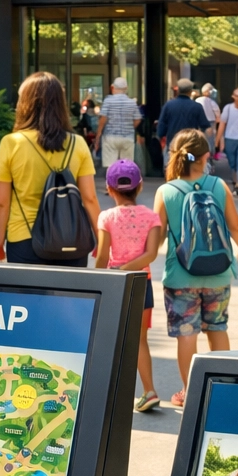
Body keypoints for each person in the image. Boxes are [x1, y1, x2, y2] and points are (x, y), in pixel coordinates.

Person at [154, 129, 238, 407]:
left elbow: (157, 237)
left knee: (187, 334)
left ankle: (189, 392)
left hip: (180, 276)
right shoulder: (218, 185)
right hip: (218, 273)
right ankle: (223, 391)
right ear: (207, 156)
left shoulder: (166, 191)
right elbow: (235, 225)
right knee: (217, 328)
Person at [0, 72, 101, 266]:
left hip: (24, 239)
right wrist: (100, 238)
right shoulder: (78, 143)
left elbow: (2, 202)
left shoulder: (11, 143)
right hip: (71, 239)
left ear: (25, 103)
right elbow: (90, 198)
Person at [94, 159, 163, 413]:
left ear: (109, 189)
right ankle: (149, 391)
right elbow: (151, 254)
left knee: (111, 338)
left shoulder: (106, 217)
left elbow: (103, 256)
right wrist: (129, 268)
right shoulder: (151, 217)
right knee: (139, 340)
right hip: (142, 283)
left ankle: (107, 394)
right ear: (140, 186)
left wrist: (101, 279)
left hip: (114, 284)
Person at [155, 78, 210, 153]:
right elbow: (205, 127)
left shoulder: (168, 105)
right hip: (191, 145)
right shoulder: (197, 106)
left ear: (178, 90)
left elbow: (161, 128)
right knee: (190, 160)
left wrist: (161, 136)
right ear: (190, 91)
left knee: (173, 160)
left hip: (173, 145)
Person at [96, 77, 141, 166]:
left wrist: (98, 135)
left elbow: (103, 118)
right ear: (126, 88)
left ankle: (112, 175)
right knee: (126, 166)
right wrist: (129, 127)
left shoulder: (108, 101)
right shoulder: (132, 102)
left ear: (112, 87)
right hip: (127, 138)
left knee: (110, 166)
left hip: (110, 137)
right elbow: (138, 119)